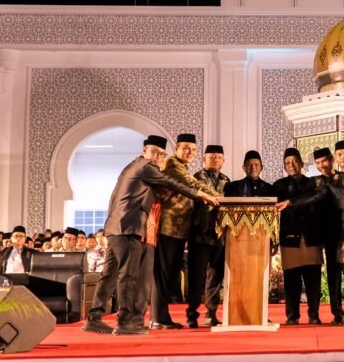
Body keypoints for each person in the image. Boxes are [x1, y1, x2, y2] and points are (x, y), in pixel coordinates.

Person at [82, 135, 218, 336]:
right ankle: (126, 323)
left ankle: (94, 318)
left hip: (116, 227)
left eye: (161, 154)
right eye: (154, 152)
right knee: (129, 276)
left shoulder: (130, 166)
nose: (157, 157)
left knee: (109, 275)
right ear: (144, 150)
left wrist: (109, 226)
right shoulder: (146, 167)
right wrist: (200, 194)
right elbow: (171, 182)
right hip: (129, 228)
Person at [278, 140, 344, 326]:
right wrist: (290, 202)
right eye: (340, 154)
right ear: (336, 157)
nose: (343, 157)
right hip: (340, 237)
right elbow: (314, 196)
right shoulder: (328, 182)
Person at [152, 134, 222, 330]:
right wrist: (220, 198)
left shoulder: (182, 166)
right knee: (164, 275)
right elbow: (194, 185)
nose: (190, 152)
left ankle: (162, 317)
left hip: (179, 231)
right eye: (185, 148)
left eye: (193, 149)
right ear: (176, 149)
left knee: (171, 275)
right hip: (168, 228)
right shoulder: (173, 164)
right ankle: (157, 318)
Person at [274, 148, 323, 325]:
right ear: (284, 166)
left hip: (311, 237)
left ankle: (314, 315)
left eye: (295, 161)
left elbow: (315, 197)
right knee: (291, 280)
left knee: (313, 280)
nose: (291, 165)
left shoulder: (313, 183)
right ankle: (292, 316)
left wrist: (290, 202)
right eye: (287, 162)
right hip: (290, 238)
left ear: (301, 163)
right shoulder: (279, 185)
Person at [186, 144, 232, 328]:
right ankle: (192, 314)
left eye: (219, 157)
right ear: (204, 160)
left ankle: (211, 313)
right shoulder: (196, 178)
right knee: (196, 276)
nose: (216, 160)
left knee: (216, 275)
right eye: (212, 157)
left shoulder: (227, 181)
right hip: (200, 234)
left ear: (223, 160)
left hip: (220, 235)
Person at [312, 147, 344, 325]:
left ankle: (339, 313)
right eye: (317, 163)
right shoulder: (314, 182)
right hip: (318, 234)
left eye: (324, 161)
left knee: (336, 273)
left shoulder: (343, 178)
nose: (321, 165)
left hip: (339, 234)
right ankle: (315, 314)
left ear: (332, 160)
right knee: (319, 274)